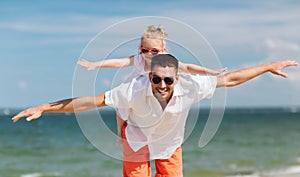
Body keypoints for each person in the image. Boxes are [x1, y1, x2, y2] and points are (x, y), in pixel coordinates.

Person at [12, 54, 298, 177]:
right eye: (157, 79)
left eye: (168, 80)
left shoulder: (190, 86)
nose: (162, 85)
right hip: (137, 141)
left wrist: (268, 65)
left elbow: (232, 79)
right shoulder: (133, 91)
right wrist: (45, 107)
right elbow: (89, 102)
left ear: (177, 77)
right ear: (149, 76)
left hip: (169, 144)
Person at [78, 25, 227, 145]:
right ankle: (119, 135)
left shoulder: (166, 61)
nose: (149, 54)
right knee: (121, 109)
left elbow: (187, 67)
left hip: (156, 89)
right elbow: (119, 62)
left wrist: (210, 72)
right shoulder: (138, 60)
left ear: (163, 51)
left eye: (154, 51)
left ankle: (170, 137)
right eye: (144, 50)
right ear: (140, 50)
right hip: (138, 89)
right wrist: (95, 65)